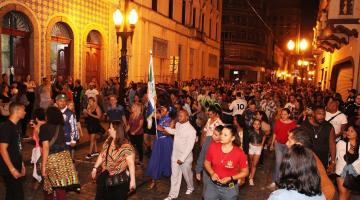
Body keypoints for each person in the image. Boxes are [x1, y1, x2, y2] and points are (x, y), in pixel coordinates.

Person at [40, 106, 80, 200]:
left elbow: (46, 147)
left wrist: (43, 166)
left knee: (48, 185)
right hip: (64, 157)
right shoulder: (60, 127)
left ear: (48, 116)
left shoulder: (44, 128)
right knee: (60, 186)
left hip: (52, 159)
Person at [286, 128, 336, 200]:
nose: (286, 143)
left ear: (299, 144)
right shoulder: (305, 154)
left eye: (289, 141)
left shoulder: (304, 158)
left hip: (323, 193)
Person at [92, 121, 136, 200]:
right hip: (105, 177)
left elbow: (131, 163)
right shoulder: (109, 140)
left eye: (110, 128)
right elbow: (102, 155)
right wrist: (95, 167)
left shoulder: (126, 146)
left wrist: (132, 180)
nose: (108, 129)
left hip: (119, 181)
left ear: (116, 130)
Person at [204, 125, 249, 200]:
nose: (221, 136)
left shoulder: (239, 153)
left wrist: (230, 178)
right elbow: (206, 162)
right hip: (213, 185)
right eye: (221, 134)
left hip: (230, 188)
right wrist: (212, 173)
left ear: (232, 138)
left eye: (225, 135)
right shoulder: (213, 146)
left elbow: (245, 172)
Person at [162, 109, 197, 200]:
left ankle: (190, 187)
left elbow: (190, 146)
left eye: (181, 116)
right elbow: (175, 132)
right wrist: (166, 129)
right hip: (175, 154)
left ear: (187, 117)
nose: (179, 117)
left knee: (187, 175)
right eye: (178, 115)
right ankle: (172, 194)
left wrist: (182, 158)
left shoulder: (191, 130)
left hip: (185, 158)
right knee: (174, 175)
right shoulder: (178, 124)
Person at [0, 102, 26, 200]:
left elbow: (17, 146)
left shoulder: (17, 125)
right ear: (17, 110)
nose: (25, 112)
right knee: (18, 195)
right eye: (23, 110)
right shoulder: (7, 127)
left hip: (16, 163)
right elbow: (2, 149)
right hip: (8, 167)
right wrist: (12, 169)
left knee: (11, 194)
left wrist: (22, 163)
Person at [146, 105, 174, 190]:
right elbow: (150, 114)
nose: (161, 110)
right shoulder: (160, 116)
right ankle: (154, 181)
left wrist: (161, 129)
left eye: (164, 109)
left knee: (168, 160)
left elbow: (170, 133)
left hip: (167, 142)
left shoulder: (171, 120)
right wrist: (152, 106)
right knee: (155, 160)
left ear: (168, 111)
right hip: (158, 142)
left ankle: (173, 180)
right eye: (161, 109)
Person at [301, 106, 336, 171]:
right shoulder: (304, 125)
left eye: (324, 114)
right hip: (307, 160)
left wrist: (333, 162)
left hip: (323, 160)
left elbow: (332, 144)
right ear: (313, 114)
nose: (322, 116)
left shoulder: (328, 126)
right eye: (319, 114)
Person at [270, 108, 297, 187]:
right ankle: (275, 180)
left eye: (285, 114)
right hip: (278, 144)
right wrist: (272, 144)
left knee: (285, 163)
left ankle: (282, 180)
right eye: (282, 114)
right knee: (278, 162)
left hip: (287, 145)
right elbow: (275, 133)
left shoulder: (293, 123)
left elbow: (294, 135)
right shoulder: (278, 122)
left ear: (289, 115)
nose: (283, 116)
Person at [195, 125, 223, 197]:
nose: (213, 136)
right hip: (206, 171)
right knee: (206, 189)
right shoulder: (208, 139)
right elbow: (202, 155)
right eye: (213, 133)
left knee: (217, 191)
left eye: (216, 135)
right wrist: (198, 170)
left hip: (219, 173)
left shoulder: (225, 144)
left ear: (221, 136)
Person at [335, 124, 360, 200]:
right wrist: (351, 149)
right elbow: (344, 158)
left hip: (354, 172)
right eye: (348, 130)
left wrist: (354, 169)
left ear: (357, 133)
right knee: (343, 193)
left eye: (352, 131)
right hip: (342, 172)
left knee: (348, 192)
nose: (348, 132)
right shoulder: (341, 143)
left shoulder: (359, 145)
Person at [30, 108, 46, 184]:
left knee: (41, 170)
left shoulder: (37, 128)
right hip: (44, 149)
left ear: (36, 118)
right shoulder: (46, 125)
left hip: (40, 151)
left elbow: (40, 141)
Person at [248, 119, 265, 186]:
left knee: (254, 164)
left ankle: (251, 178)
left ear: (260, 125)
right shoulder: (250, 131)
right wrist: (248, 145)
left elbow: (264, 137)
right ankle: (249, 173)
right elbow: (247, 140)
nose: (257, 125)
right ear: (253, 125)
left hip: (258, 149)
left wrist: (262, 144)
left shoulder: (262, 132)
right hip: (251, 147)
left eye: (258, 124)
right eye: (255, 124)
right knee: (250, 162)